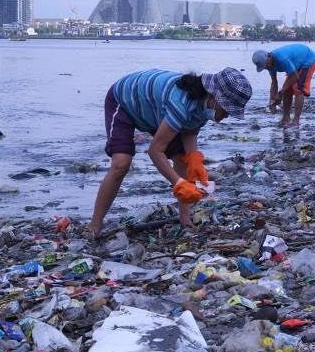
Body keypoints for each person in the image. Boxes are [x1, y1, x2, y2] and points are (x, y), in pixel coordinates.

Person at [86, 67, 252, 236]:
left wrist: (194, 159)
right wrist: (179, 183)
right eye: (227, 109)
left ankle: (185, 219)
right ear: (214, 97)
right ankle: (94, 224)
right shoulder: (180, 103)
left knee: (183, 159)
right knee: (121, 164)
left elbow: (189, 129)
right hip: (124, 102)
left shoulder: (203, 105)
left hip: (154, 111)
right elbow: (155, 151)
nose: (227, 115)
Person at [252, 43, 315, 126]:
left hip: (308, 60)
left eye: (266, 65)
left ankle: (296, 120)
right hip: (296, 64)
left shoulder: (281, 58)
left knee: (298, 88)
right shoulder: (269, 66)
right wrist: (272, 102)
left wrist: (280, 93)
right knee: (287, 90)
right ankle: (286, 118)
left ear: (269, 57)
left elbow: (295, 76)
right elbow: (274, 83)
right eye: (264, 67)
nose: (266, 67)